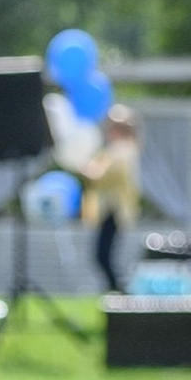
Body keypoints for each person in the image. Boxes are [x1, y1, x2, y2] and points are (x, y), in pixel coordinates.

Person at [77, 104, 143, 296]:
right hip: (108, 211)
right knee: (103, 255)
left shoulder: (123, 149)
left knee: (102, 255)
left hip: (114, 211)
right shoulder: (116, 149)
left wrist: (83, 166)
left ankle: (119, 291)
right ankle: (116, 291)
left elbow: (104, 175)